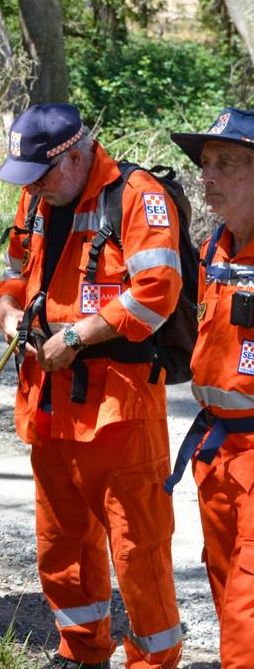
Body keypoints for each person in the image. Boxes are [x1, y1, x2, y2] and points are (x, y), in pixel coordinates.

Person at [0, 103, 183, 668]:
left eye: (43, 175)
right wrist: (8, 316)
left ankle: (153, 662)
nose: (34, 189)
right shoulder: (38, 192)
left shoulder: (135, 196)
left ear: (75, 156)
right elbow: (12, 273)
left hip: (119, 410)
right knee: (62, 545)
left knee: (138, 552)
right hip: (48, 404)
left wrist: (74, 339)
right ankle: (80, 653)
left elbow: (157, 291)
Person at [167, 107, 254, 668]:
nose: (206, 176)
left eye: (226, 164)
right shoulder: (215, 249)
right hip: (217, 450)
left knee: (250, 592)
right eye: (204, 164)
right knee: (223, 576)